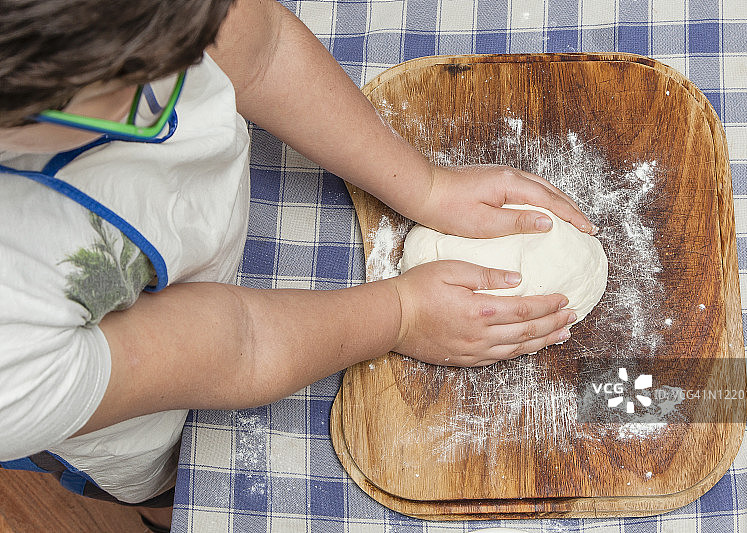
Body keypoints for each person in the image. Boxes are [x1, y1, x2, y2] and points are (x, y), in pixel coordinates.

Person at [0, 0, 594, 530]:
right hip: (126, 406)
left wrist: (426, 186)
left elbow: (263, 52)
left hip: (190, 256)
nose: (189, 64)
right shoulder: (14, 337)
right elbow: (241, 343)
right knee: (176, 480)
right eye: (142, 83)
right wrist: (402, 312)